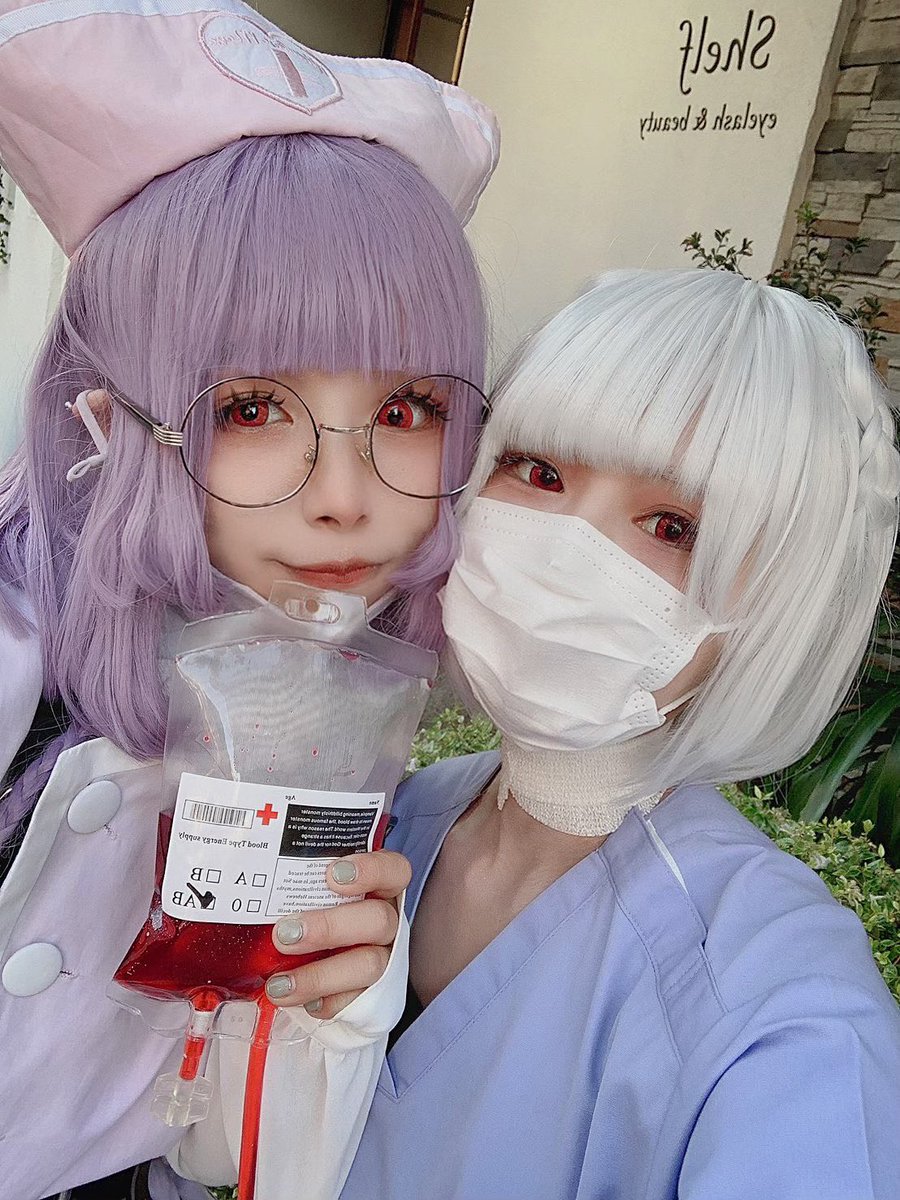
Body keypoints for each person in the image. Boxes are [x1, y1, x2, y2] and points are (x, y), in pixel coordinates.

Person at [0, 3, 497, 1197]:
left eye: (408, 410)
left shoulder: (352, 705)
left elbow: (224, 1148)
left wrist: (326, 1007)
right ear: (106, 417)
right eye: (253, 409)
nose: (345, 498)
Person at [338, 268, 900, 1199]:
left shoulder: (784, 1016)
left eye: (672, 526)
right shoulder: (393, 817)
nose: (567, 547)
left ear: (780, 605)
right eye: (539, 472)